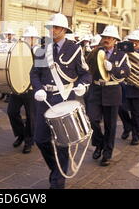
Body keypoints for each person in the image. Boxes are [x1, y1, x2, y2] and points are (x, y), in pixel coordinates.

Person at [30, 13, 91, 189]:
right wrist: (38, 88)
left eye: (55, 28)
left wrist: (82, 85)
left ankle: (58, 181)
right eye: (50, 28)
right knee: (40, 140)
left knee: (62, 142)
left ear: (64, 30)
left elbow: (86, 73)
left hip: (64, 98)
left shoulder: (75, 49)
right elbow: (34, 73)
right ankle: (57, 170)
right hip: (44, 100)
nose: (52, 31)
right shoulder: (43, 49)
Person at [86, 25, 130, 166]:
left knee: (110, 125)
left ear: (115, 40)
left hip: (112, 91)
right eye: (104, 37)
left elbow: (126, 72)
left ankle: (107, 153)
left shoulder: (122, 55)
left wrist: (113, 68)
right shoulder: (95, 52)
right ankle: (99, 144)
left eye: (109, 38)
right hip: (96, 89)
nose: (106, 40)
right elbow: (88, 68)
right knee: (93, 120)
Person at [7, 26, 40, 154]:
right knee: (12, 112)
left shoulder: (40, 52)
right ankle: (20, 134)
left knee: (31, 116)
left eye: (29, 38)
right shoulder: (19, 50)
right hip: (18, 87)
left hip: (32, 89)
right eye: (26, 37)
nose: (27, 40)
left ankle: (29, 141)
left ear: (34, 39)